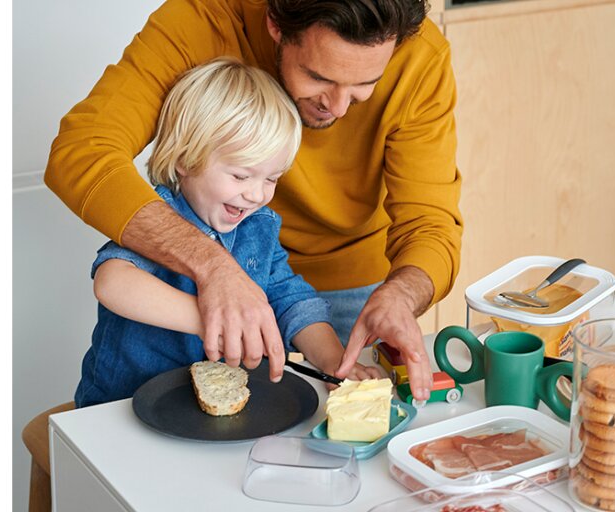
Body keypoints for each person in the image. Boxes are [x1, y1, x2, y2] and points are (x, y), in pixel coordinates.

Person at [46, 0, 463, 401]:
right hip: (153, 381)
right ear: (276, 24)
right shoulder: (202, 17)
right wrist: (215, 276)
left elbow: (429, 224)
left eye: (364, 85)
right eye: (318, 77)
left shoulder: (419, 54)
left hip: (334, 296)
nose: (338, 107)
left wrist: (394, 301)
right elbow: (85, 152)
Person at [75, 57, 381, 407]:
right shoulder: (157, 217)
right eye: (240, 176)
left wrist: (333, 363)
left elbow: (292, 301)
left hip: (212, 414)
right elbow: (112, 283)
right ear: (185, 160)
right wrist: (219, 320)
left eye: (271, 179)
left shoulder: (258, 226)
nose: (256, 194)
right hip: (119, 409)